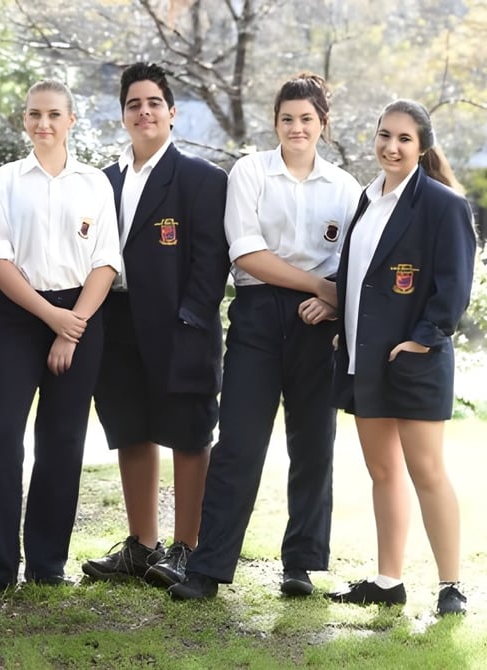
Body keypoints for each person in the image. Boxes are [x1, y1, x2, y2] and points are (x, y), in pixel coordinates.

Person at [169, 73, 362, 600]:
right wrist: (321, 285)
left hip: (318, 323)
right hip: (256, 315)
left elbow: (355, 264)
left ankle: (300, 564)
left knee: (313, 445)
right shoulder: (251, 172)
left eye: (306, 119)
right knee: (239, 443)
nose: (296, 128)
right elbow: (246, 254)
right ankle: (208, 568)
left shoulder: (346, 189)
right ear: (274, 122)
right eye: (286, 119)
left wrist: (331, 299)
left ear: (323, 123)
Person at [0, 80, 121, 595]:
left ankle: (48, 563)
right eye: (34, 114)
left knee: (62, 442)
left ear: (71, 120)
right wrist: (48, 318)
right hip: (17, 314)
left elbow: (105, 261)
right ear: (23, 120)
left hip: (81, 314)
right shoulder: (6, 181)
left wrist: (69, 326)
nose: (43, 124)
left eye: (54, 114)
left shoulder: (95, 184)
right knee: (5, 439)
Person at [81, 63, 229, 586]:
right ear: (123, 115)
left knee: (189, 434)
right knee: (130, 429)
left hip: (179, 324)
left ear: (172, 112)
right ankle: (143, 546)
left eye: (152, 103)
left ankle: (188, 549)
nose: (143, 112)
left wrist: (190, 318)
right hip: (115, 322)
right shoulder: (102, 180)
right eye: (133, 104)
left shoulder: (202, 178)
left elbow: (212, 262)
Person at [325, 100, 475, 616]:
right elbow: (360, 279)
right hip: (364, 359)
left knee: (426, 470)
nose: (391, 146)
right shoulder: (366, 201)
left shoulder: (444, 205)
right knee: (382, 471)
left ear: (423, 146)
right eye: (384, 135)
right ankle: (388, 582)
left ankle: (451, 585)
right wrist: (333, 313)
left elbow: (454, 288)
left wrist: (423, 338)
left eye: (404, 139)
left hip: (416, 359)